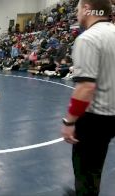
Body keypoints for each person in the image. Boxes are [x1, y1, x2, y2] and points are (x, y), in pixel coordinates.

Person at [61, 0, 115, 195]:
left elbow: (85, 87)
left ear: (86, 9)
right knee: (96, 165)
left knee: (86, 173)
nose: (76, 14)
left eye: (77, 10)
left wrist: (69, 121)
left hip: (95, 118)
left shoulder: (88, 39)